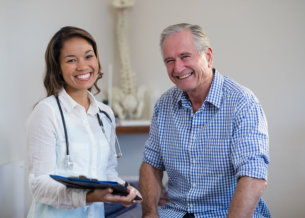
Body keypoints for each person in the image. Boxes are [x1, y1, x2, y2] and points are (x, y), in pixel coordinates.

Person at [139, 23, 270, 218]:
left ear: (208, 56)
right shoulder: (164, 105)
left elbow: (253, 176)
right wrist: (150, 213)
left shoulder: (242, 102)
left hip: (225, 212)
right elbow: (151, 165)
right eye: (169, 60)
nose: (177, 68)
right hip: (175, 212)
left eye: (185, 56)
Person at [26, 26, 142, 218]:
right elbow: (39, 185)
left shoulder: (105, 114)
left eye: (89, 56)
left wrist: (123, 189)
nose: (82, 66)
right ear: (58, 68)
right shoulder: (46, 112)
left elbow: (107, 172)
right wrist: (87, 196)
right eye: (71, 60)